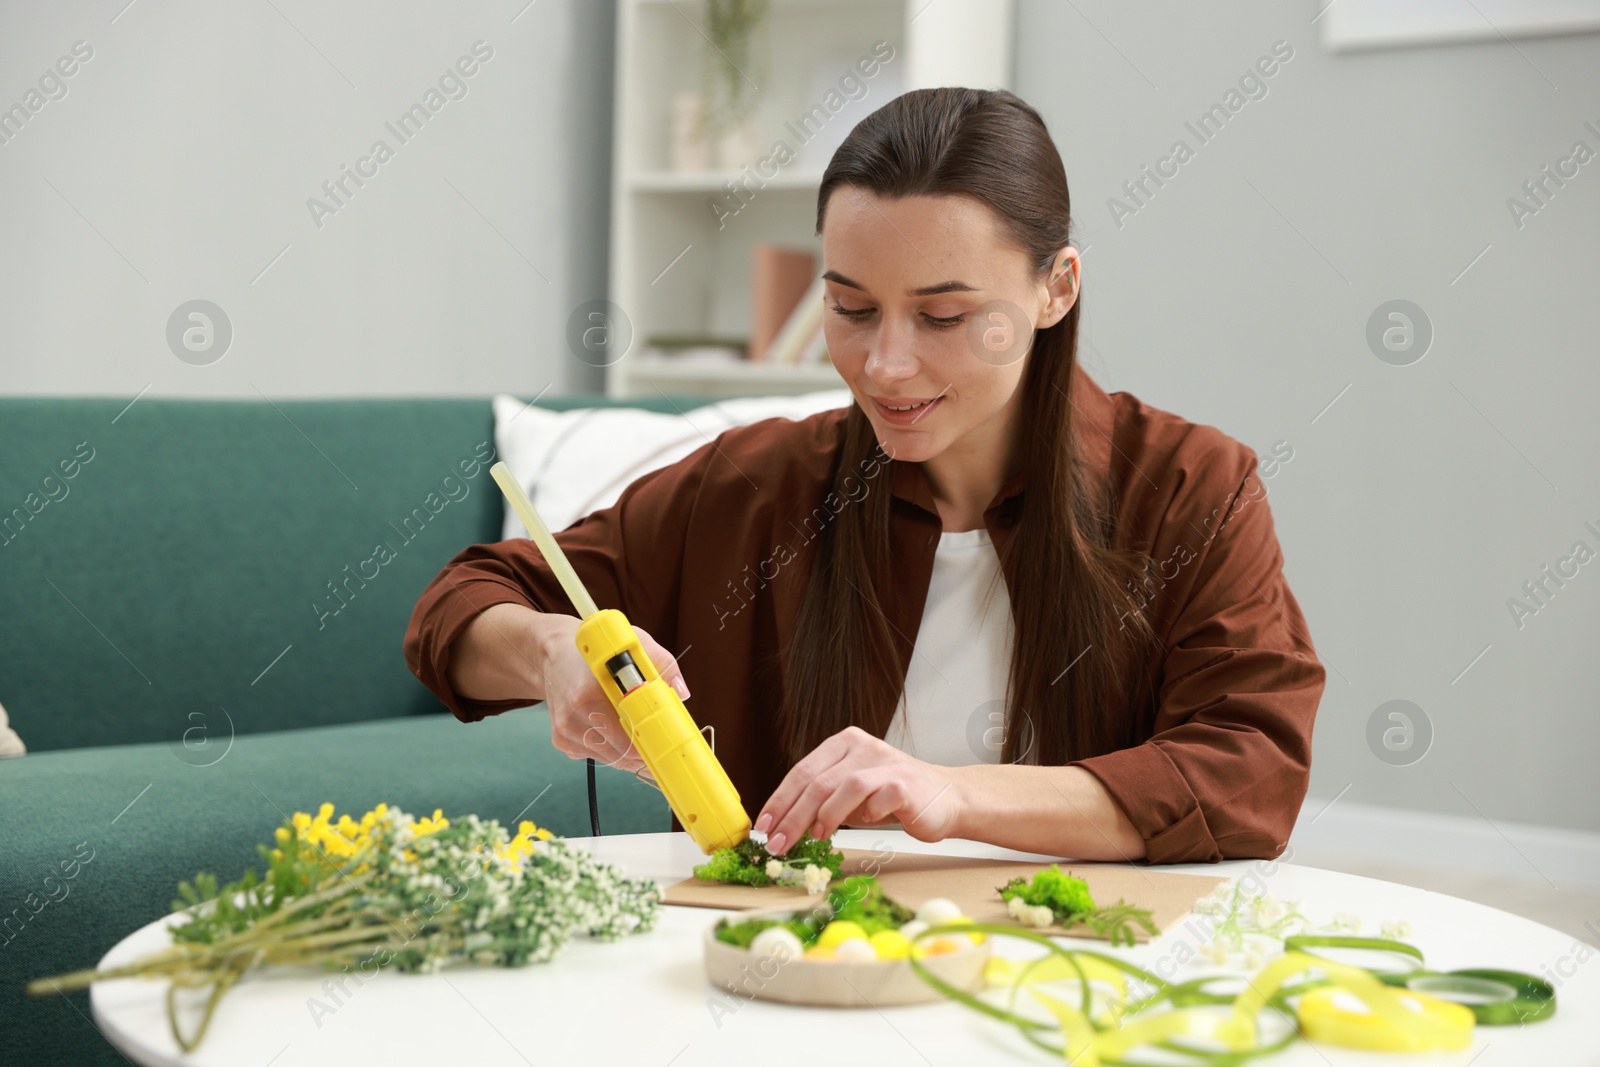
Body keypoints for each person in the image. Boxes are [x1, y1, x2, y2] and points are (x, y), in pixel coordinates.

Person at [403, 87, 1325, 865]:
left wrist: (953, 797)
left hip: (1069, 975)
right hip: (795, 976)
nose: (885, 364)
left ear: (1057, 288)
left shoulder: (1192, 486)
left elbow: (1249, 770)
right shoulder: (753, 487)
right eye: (849, 307)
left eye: (944, 316)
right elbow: (462, 602)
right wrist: (551, 653)